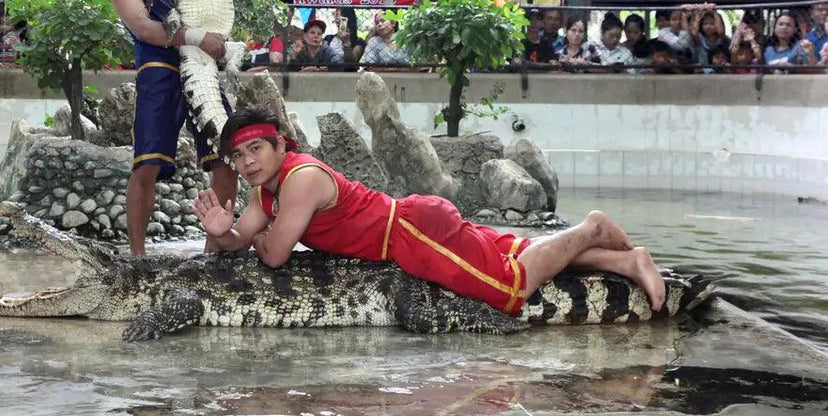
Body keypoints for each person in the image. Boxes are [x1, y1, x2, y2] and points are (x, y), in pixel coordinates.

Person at [195, 108, 667, 318]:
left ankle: (591, 227)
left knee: (511, 288)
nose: (246, 163)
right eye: (237, 157)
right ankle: (627, 262)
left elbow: (275, 255)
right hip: (414, 227)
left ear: (280, 145)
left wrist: (255, 239)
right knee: (517, 251)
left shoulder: (299, 180)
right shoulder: (266, 190)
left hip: (411, 234)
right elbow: (240, 240)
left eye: (255, 149)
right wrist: (222, 234)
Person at [107, 0, 240, 256]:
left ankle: (215, 251)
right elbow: (147, 30)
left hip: (203, 69)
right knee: (146, 163)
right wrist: (198, 37)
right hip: (159, 71)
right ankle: (137, 257)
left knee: (225, 157)